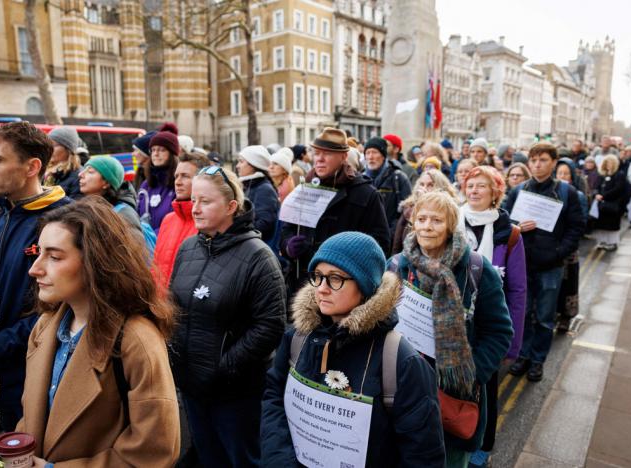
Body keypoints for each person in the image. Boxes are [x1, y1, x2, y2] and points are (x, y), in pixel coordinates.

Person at [19, 198, 180, 467]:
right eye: (38, 253)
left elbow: (154, 450)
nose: (34, 269)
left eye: (55, 256)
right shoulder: (44, 327)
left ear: (95, 261)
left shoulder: (136, 339)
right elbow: (33, 414)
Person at [262, 232, 445, 466]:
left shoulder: (400, 361)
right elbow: (274, 398)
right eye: (317, 276)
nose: (322, 289)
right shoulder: (298, 337)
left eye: (335, 278)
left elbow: (423, 456)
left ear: (365, 285)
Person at [168, 166, 286, 467]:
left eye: (205, 201)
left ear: (231, 206)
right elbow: (175, 305)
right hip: (192, 386)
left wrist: (224, 367)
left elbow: (270, 326)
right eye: (193, 200)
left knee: (241, 459)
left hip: (235, 393)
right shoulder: (189, 248)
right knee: (208, 458)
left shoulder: (258, 256)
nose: (195, 208)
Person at [388, 191, 513, 467]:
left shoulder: (477, 270)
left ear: (450, 226)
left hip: (452, 399)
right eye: (421, 218)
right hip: (402, 389)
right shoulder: (396, 266)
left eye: (436, 220)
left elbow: (500, 331)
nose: (426, 226)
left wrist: (470, 374)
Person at [0, 121, 72, 430]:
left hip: (35, 376)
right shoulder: (4, 214)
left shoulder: (66, 220)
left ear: (32, 167)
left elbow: (64, 307)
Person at [461, 167, 527, 467]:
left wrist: (511, 344)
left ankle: (483, 445)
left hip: (487, 326)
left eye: (481, 186)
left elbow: (517, 290)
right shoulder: (451, 220)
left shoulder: (509, 233)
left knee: (484, 387)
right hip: (452, 323)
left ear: (495, 192)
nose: (474, 191)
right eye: (470, 185)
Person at [504, 142, 585, 381]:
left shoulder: (566, 192)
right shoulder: (519, 190)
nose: (537, 165)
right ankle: (523, 355)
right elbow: (503, 221)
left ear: (553, 163)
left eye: (543, 160)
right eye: (534, 160)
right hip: (522, 264)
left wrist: (559, 253)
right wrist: (516, 226)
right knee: (523, 312)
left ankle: (538, 360)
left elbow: (576, 227)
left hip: (551, 265)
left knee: (545, 317)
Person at [280, 128, 391, 295]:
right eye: (316, 153)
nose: (320, 159)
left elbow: (380, 244)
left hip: (343, 289)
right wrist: (288, 246)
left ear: (344, 156)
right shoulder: (304, 189)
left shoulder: (366, 194)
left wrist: (346, 263)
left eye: (328, 154)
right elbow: (287, 230)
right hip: (302, 286)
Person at [154, 152, 210, 285]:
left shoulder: (209, 222)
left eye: (185, 176)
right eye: (176, 176)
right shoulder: (168, 220)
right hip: (159, 303)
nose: (178, 182)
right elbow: (155, 267)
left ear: (202, 180)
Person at [554, 159, 588, 333]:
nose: (563, 177)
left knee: (568, 284)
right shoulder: (552, 193)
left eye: (566, 173)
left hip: (568, 249)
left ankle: (566, 316)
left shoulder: (577, 195)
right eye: (560, 173)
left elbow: (581, 223)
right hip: (552, 246)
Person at [391, 169, 457, 255]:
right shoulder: (408, 208)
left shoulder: (450, 209)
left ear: (440, 187)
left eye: (430, 185)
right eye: (422, 184)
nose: (424, 188)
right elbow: (398, 243)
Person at [363, 136, 412, 237]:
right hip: (364, 237)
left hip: (389, 238)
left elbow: (406, 212)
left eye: (375, 152)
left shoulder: (398, 178)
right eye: (368, 153)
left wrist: (391, 233)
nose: (371, 157)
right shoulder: (360, 179)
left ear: (383, 156)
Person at [79, 156, 142, 231]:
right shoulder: (88, 207)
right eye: (83, 170)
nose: (80, 174)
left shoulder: (124, 214)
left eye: (90, 172)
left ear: (106, 183)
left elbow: (134, 242)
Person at [138, 123, 179, 234]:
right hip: (144, 245)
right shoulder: (146, 185)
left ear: (172, 154)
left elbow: (176, 223)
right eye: (153, 150)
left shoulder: (178, 184)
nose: (156, 154)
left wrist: (151, 237)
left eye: (161, 150)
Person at [236, 145, 280, 244]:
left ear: (253, 165)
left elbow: (264, 224)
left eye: (241, 161)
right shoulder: (248, 185)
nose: (237, 166)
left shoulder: (264, 189)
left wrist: (237, 231)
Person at [592, 155, 627, 250]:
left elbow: (618, 189)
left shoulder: (619, 174)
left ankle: (612, 243)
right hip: (601, 205)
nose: (608, 165)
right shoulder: (602, 174)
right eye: (607, 162)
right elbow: (596, 186)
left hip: (613, 205)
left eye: (611, 163)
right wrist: (596, 194)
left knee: (612, 225)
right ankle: (602, 241)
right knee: (601, 225)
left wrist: (604, 196)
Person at [44, 127, 83, 199]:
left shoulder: (79, 176)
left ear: (68, 149)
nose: (49, 149)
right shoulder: (45, 170)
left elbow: (74, 206)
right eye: (48, 145)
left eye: (54, 145)